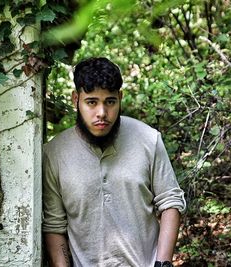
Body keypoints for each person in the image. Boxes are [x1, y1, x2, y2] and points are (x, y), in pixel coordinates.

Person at [43, 57, 186, 267]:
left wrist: (163, 264)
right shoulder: (54, 153)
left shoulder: (148, 139)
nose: (102, 113)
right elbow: (54, 226)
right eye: (92, 102)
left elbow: (171, 202)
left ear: (120, 97)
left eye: (110, 101)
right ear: (76, 100)